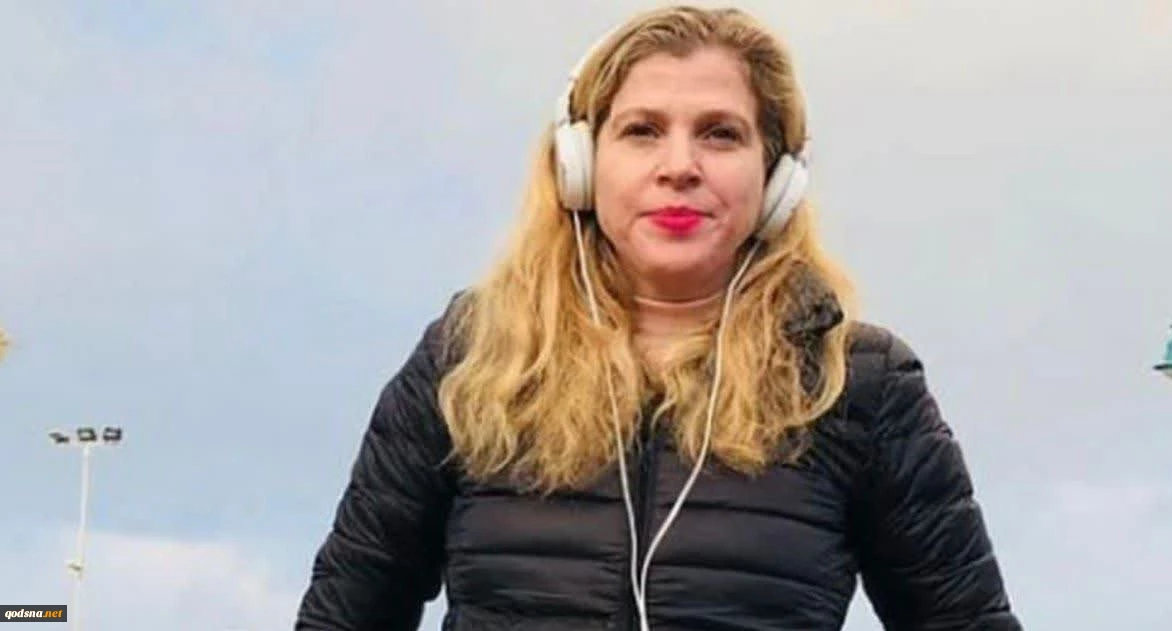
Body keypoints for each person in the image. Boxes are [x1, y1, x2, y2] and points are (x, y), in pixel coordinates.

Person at [295, 5, 1021, 630]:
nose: (679, 165)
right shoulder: (468, 357)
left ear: (776, 178)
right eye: (642, 130)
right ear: (580, 164)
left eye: (720, 134)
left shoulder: (860, 385)